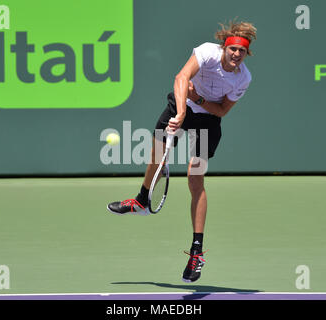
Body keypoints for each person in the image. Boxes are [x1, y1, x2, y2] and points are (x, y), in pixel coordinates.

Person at [107, 20, 257, 282]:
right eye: (233, 49)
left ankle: (196, 252)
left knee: (194, 178)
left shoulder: (243, 78)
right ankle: (142, 200)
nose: (236, 55)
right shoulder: (207, 53)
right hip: (180, 106)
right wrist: (181, 111)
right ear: (225, 47)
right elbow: (181, 78)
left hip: (208, 121)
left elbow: (221, 111)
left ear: (246, 54)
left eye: (241, 52)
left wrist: (198, 100)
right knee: (156, 153)